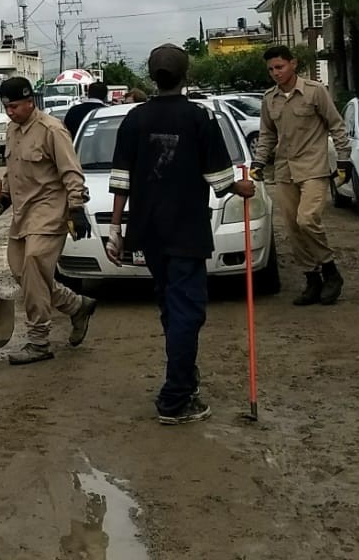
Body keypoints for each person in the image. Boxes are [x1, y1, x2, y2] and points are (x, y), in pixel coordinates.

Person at [107, 44, 257, 424]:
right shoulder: (199, 118)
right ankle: (175, 398)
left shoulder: (134, 119)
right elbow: (220, 179)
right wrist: (241, 187)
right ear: (186, 76)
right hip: (186, 229)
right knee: (187, 311)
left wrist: (114, 229)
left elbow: (121, 180)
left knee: (171, 306)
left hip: (148, 231)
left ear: (151, 78)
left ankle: (184, 379)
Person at [0, 77, 97, 364]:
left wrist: (76, 207)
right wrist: (2, 200)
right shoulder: (12, 130)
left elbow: (71, 172)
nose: (10, 112)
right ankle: (76, 306)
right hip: (23, 213)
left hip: (49, 211)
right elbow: (12, 170)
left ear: (29, 102)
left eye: (14, 106)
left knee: (34, 265)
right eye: (6, 107)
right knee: (22, 273)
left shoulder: (52, 130)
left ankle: (38, 341)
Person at [252, 45, 352, 306]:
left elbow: (336, 125)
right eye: (271, 69)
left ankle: (330, 270)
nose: (275, 73)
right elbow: (267, 134)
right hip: (284, 171)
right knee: (293, 228)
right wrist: (258, 161)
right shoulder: (269, 99)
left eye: (279, 67)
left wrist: (344, 159)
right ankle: (312, 279)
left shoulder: (314, 91)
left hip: (313, 168)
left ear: (293, 64)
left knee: (307, 219)